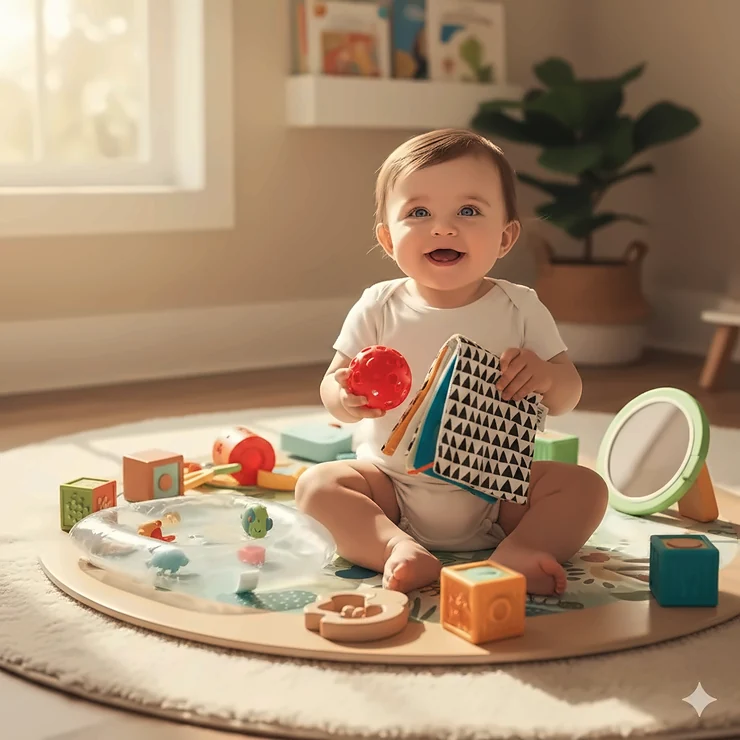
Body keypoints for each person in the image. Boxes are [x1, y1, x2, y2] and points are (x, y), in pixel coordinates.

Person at [295, 128, 608, 596]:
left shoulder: (520, 307)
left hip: (499, 491)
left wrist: (544, 376)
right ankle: (395, 548)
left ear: (505, 238)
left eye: (468, 211)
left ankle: (520, 551)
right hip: (391, 485)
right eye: (418, 212)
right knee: (317, 486)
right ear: (387, 238)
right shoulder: (378, 305)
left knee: (585, 488)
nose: (443, 228)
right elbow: (332, 386)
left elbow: (568, 393)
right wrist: (344, 398)